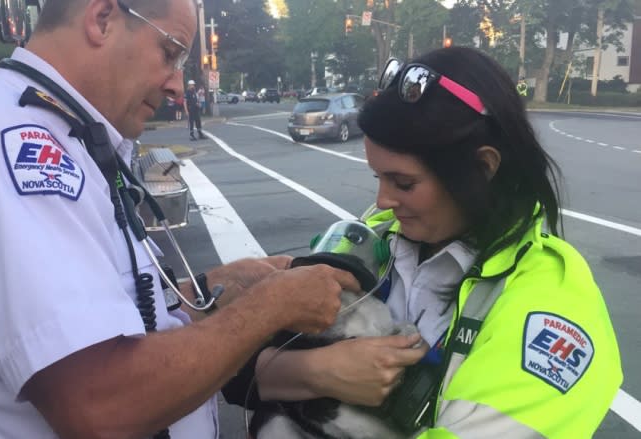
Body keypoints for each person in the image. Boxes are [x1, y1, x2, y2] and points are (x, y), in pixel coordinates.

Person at [0, 0, 361, 438]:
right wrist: (268, 309)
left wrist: (214, 290)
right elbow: (100, 405)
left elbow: (108, 322)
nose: (177, 84)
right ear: (103, 17)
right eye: (170, 51)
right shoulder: (6, 146)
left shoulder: (54, 132)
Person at [224, 47, 622, 438]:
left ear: (483, 168)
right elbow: (232, 373)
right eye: (377, 178)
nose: (382, 201)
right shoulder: (373, 237)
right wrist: (314, 371)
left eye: (404, 183)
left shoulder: (551, 303)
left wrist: (287, 376)